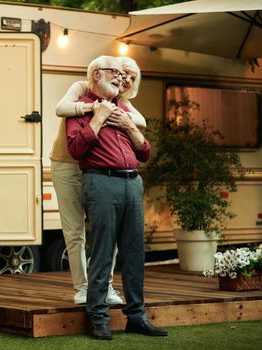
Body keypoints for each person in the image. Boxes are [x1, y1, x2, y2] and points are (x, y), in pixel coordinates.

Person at [66, 55, 167, 340]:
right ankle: (98, 318)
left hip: (133, 182)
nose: (121, 78)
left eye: (124, 75)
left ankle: (136, 316)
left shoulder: (125, 110)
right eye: (115, 72)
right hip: (101, 181)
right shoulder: (82, 108)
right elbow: (75, 149)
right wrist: (96, 120)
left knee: (135, 253)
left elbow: (145, 153)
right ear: (97, 74)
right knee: (102, 252)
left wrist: (130, 127)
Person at [50, 56, 144, 305]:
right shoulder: (83, 87)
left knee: (107, 231)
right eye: (121, 73)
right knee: (75, 231)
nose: (124, 80)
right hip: (67, 164)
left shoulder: (119, 102)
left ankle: (106, 286)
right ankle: (82, 288)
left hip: (97, 170)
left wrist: (115, 112)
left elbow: (142, 122)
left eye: (130, 78)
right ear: (101, 74)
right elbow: (61, 108)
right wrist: (96, 109)